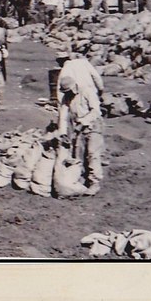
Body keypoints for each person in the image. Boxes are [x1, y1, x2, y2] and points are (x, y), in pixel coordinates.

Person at [56, 52, 105, 194]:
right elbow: (63, 115)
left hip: (93, 125)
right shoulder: (66, 97)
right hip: (79, 128)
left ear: (74, 86)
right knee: (78, 153)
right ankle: (81, 178)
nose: (68, 94)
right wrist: (63, 133)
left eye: (69, 91)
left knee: (92, 153)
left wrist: (83, 122)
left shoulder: (87, 91)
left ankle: (94, 182)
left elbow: (96, 111)